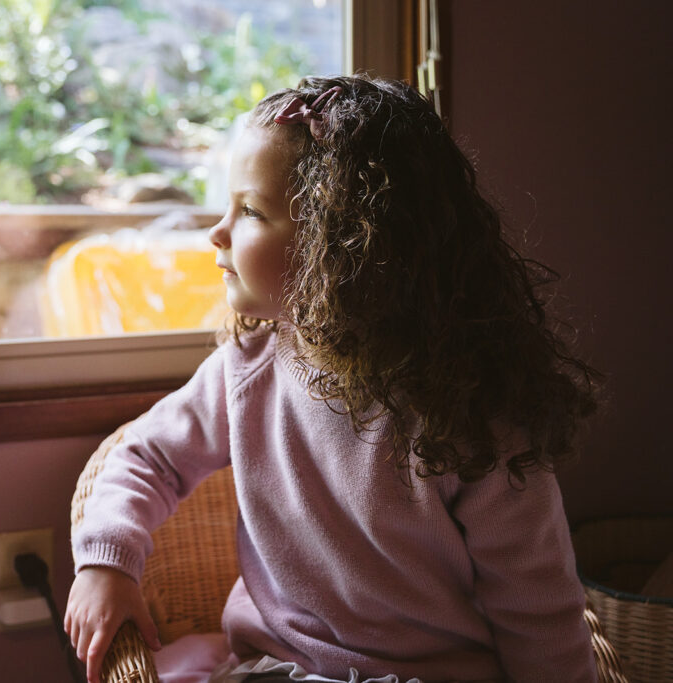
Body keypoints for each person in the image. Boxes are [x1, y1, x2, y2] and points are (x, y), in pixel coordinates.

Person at [65, 75, 601, 683]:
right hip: (278, 667)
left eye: (248, 211)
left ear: (339, 246)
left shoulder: (476, 415)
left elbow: (539, 611)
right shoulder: (248, 369)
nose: (216, 233)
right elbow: (146, 456)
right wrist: (107, 563)